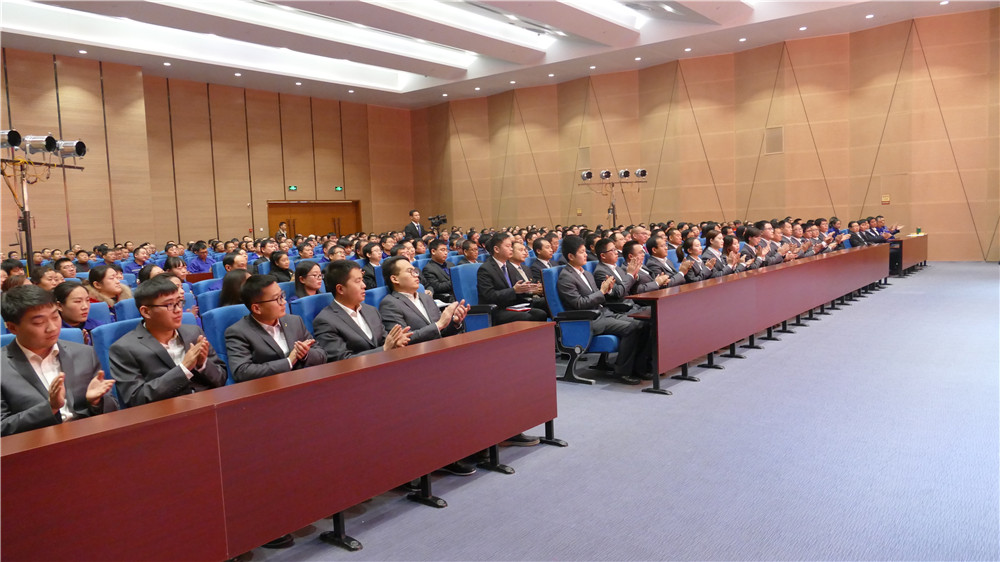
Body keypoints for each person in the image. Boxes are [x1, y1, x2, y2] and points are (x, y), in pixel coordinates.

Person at [1, 285, 115, 436]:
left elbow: (113, 409)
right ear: (12, 328)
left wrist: (96, 402)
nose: (52, 328)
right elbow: (2, 427)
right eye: (38, 322)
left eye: (55, 317)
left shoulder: (84, 354)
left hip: (87, 436)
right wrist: (50, 408)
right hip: (36, 444)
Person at [109, 276, 226, 408]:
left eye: (179, 302)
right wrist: (184, 369)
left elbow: (221, 378)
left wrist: (202, 364)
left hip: (208, 406)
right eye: (169, 305)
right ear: (146, 311)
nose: (178, 310)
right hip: (165, 413)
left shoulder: (194, 332)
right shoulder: (124, 348)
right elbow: (136, 398)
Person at [556, 236, 650, 385]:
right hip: (588, 319)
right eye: (581, 252)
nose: (586, 255)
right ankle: (622, 371)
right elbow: (579, 304)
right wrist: (602, 291)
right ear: (571, 256)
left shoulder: (586, 273)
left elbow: (599, 297)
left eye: (585, 251)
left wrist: (606, 290)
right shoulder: (566, 277)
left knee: (643, 323)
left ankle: (639, 367)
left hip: (604, 313)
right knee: (632, 327)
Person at [225, 274, 326, 385]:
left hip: (303, 382)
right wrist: (289, 361)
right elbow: (242, 372)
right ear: (257, 308)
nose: (284, 302)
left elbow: (321, 354)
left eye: (282, 295)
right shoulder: (238, 332)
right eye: (277, 299)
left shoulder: (294, 321)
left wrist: (305, 355)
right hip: (268, 388)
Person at [312, 260, 411, 362]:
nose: (364, 285)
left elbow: (384, 341)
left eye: (362, 280)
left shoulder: (371, 310)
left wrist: (395, 343)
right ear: (340, 289)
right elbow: (342, 360)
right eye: (357, 281)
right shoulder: (325, 321)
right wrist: (384, 349)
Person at [379, 256, 467, 346]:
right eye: (410, 271)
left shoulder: (426, 297)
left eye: (415, 271)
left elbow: (441, 332)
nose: (416, 275)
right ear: (395, 279)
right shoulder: (390, 304)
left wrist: (454, 322)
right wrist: (439, 325)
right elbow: (403, 340)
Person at [477, 233, 547, 325]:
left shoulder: (509, 266)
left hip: (513, 305)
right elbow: (489, 296)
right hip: (497, 309)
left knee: (541, 314)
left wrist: (527, 289)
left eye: (511, 246)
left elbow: (516, 290)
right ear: (496, 249)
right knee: (526, 317)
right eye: (508, 246)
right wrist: (514, 290)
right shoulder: (485, 269)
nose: (511, 249)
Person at [591, 238, 642, 307]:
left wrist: (634, 277)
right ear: (603, 255)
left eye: (616, 249)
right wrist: (630, 275)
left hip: (633, 303)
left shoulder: (617, 268)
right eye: (613, 250)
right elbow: (618, 293)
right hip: (621, 307)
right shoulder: (600, 272)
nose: (616, 252)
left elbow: (630, 288)